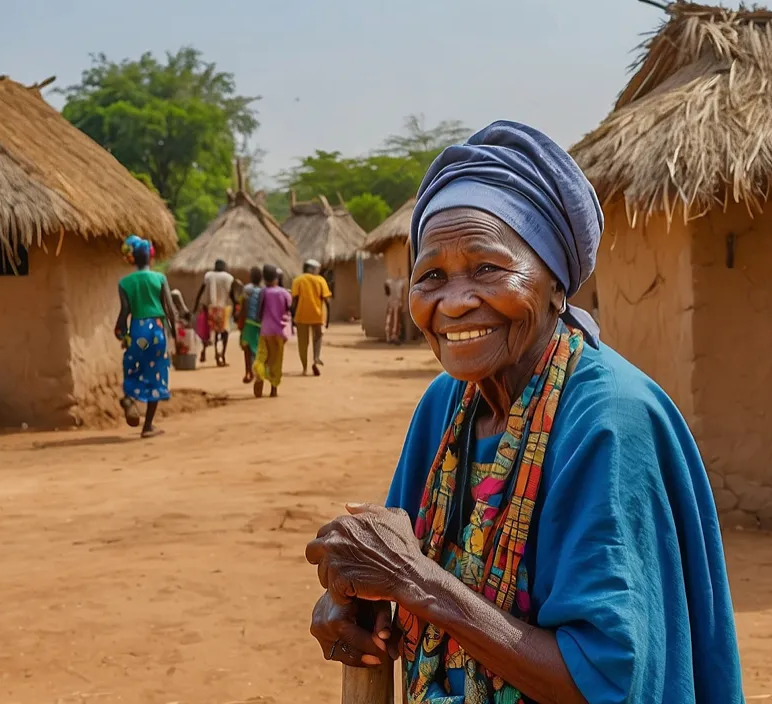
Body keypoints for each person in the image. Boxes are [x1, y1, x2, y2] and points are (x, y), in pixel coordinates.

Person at [305, 121, 743, 703]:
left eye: (488, 269)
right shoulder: (446, 407)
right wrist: (352, 595)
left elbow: (603, 680)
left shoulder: (608, 419)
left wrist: (414, 582)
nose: (455, 302)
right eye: (431, 275)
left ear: (555, 282)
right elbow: (397, 563)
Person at [114, 236, 175, 439]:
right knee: (155, 374)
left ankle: (129, 398)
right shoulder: (159, 278)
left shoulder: (124, 283)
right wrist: (174, 331)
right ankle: (148, 426)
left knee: (134, 366)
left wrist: (120, 330)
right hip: (156, 330)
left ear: (133, 259)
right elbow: (169, 309)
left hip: (137, 329)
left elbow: (125, 311)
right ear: (150, 258)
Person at [252, 265, 293, 398]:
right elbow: (290, 309)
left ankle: (259, 377)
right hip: (280, 331)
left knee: (262, 356)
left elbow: (259, 311)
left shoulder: (263, 292)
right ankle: (274, 388)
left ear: (264, 279)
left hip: (265, 331)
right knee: (277, 359)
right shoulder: (285, 293)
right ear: (277, 278)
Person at [290, 258, 332, 376]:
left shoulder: (297, 280)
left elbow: (294, 301)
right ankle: (316, 358)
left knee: (303, 343)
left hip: (301, 315)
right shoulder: (321, 281)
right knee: (318, 337)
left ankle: (304, 367)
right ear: (311, 269)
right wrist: (328, 320)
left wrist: (292, 316)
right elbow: (327, 301)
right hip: (317, 316)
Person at [195, 260, 236, 367]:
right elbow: (232, 294)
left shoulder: (208, 276)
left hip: (209, 307)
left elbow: (201, 291)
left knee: (207, 331)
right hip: (223, 309)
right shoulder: (229, 278)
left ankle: (204, 351)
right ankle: (222, 355)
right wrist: (236, 305)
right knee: (224, 332)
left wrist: (196, 305)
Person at [238, 267, 265, 383]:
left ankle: (249, 372)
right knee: (258, 349)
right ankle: (259, 371)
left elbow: (244, 306)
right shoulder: (264, 290)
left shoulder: (247, 289)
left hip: (249, 322)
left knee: (247, 348)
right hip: (260, 323)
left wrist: (241, 320)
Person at [383, 276, 407, 345]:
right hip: (397, 302)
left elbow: (387, 293)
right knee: (396, 319)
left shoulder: (389, 281)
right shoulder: (401, 283)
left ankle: (389, 336)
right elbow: (402, 294)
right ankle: (394, 336)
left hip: (391, 301)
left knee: (390, 318)